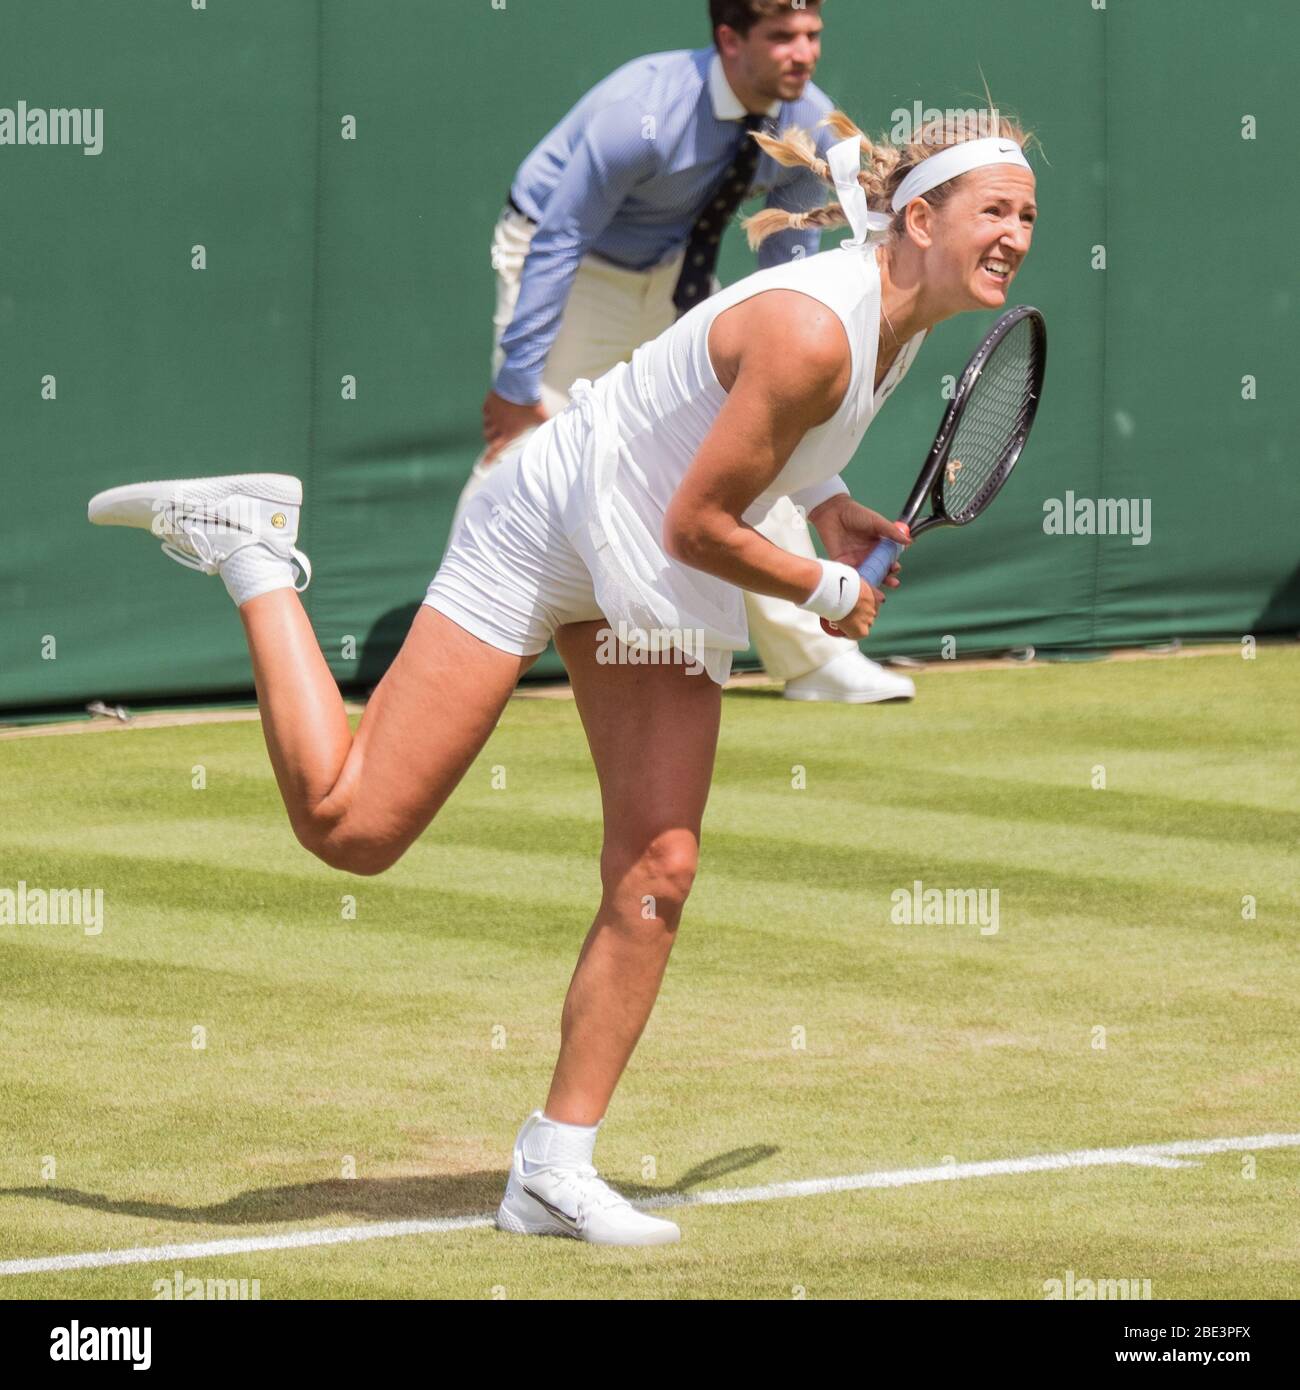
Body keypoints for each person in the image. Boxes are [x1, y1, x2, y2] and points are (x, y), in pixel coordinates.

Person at [89, 108, 1037, 1246]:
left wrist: (828, 509)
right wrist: (820, 587)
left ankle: (552, 1165)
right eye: (995, 211)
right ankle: (251, 552)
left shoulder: (900, 319)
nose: (1017, 234)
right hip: (548, 520)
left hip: (638, 554)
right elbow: (698, 523)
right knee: (352, 828)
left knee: (660, 868)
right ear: (919, 218)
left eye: (1028, 215)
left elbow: (746, 455)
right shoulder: (814, 331)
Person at [456, 0, 916, 704]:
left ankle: (815, 659)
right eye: (783, 36)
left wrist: (782, 369)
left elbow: (790, 270)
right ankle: (462, 648)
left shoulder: (806, 119)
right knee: (526, 447)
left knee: (756, 438)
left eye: (813, 35)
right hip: (570, 263)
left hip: (676, 273)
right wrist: (519, 382)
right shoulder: (641, 114)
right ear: (730, 39)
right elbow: (559, 238)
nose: (804, 52)